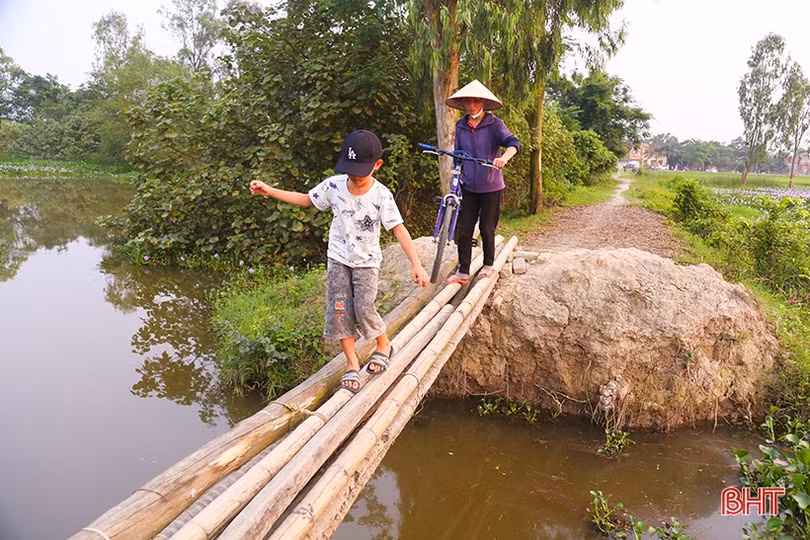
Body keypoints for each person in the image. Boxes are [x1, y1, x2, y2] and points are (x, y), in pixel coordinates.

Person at [249, 130, 429, 394]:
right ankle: (352, 363)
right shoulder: (334, 186)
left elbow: (399, 230)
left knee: (364, 307)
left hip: (367, 262)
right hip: (338, 260)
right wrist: (270, 191)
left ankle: (383, 345)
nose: (354, 177)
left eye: (360, 171)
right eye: (350, 170)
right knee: (340, 309)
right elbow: (307, 199)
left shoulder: (381, 195)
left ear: (377, 165)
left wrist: (416, 263)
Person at [443, 80, 520, 285]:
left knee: (487, 228)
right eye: (468, 101)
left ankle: (487, 265)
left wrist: (503, 158)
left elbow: (513, 144)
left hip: (491, 186)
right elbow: (458, 155)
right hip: (468, 186)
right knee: (464, 228)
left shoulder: (495, 124)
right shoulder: (461, 125)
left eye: (476, 101)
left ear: (483, 102)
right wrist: (457, 176)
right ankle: (463, 271)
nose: (472, 105)